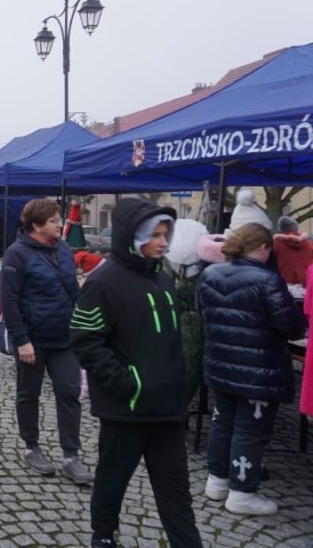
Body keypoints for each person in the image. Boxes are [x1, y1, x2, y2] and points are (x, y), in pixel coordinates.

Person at [71, 198, 202, 548]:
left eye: (165, 234)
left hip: (168, 410)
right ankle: (103, 536)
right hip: (126, 409)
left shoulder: (163, 277)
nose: (162, 242)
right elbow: (85, 340)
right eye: (154, 235)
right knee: (112, 479)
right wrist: (127, 384)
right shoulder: (104, 282)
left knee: (177, 492)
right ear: (132, 235)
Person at [196, 223, 306, 516]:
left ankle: (216, 482)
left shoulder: (209, 273)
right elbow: (292, 326)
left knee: (223, 422)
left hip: (220, 364)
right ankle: (242, 494)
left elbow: (203, 312)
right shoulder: (267, 279)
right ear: (261, 248)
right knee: (250, 429)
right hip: (258, 370)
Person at [1, 199, 90, 484]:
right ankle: (31, 447)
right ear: (37, 225)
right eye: (53, 220)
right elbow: (10, 302)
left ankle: (70, 455)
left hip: (64, 338)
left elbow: (73, 290)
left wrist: (83, 326)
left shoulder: (63, 249)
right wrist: (22, 340)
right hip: (33, 340)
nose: (60, 224)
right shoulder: (16, 254)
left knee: (69, 392)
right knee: (29, 394)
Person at [272, 215, 312, 284]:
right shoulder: (307, 242)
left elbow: (271, 262)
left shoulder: (276, 243)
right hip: (308, 280)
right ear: (295, 227)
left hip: (287, 282)